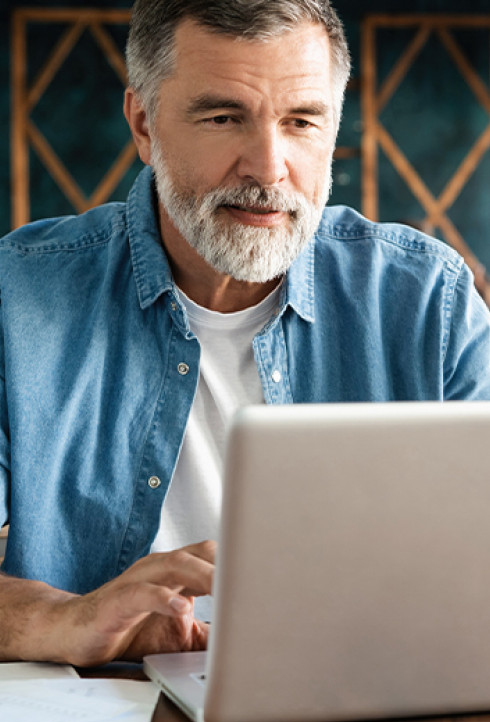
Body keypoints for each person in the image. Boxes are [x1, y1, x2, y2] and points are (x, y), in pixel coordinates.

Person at [1, 0, 490, 667]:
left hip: (371, 715)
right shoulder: (13, 299)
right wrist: (69, 620)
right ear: (144, 125)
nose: (267, 167)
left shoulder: (431, 302)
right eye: (224, 117)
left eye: (301, 122)